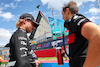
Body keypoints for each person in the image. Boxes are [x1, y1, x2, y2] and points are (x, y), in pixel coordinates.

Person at [62, 1, 100, 67]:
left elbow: (97, 35)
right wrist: (66, 54)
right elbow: (80, 51)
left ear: (67, 11)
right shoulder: (73, 25)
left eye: (62, 14)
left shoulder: (76, 20)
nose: (62, 18)